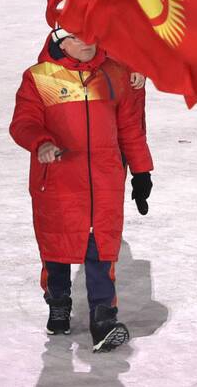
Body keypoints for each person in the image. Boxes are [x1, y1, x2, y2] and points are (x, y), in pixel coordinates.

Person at [9, 27, 153, 352]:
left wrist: (141, 172)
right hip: (58, 181)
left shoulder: (116, 74)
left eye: (92, 34)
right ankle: (58, 300)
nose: (87, 42)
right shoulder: (39, 77)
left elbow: (130, 128)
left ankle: (103, 318)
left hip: (105, 182)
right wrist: (41, 143)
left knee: (101, 250)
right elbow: (23, 123)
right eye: (77, 37)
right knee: (57, 249)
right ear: (61, 40)